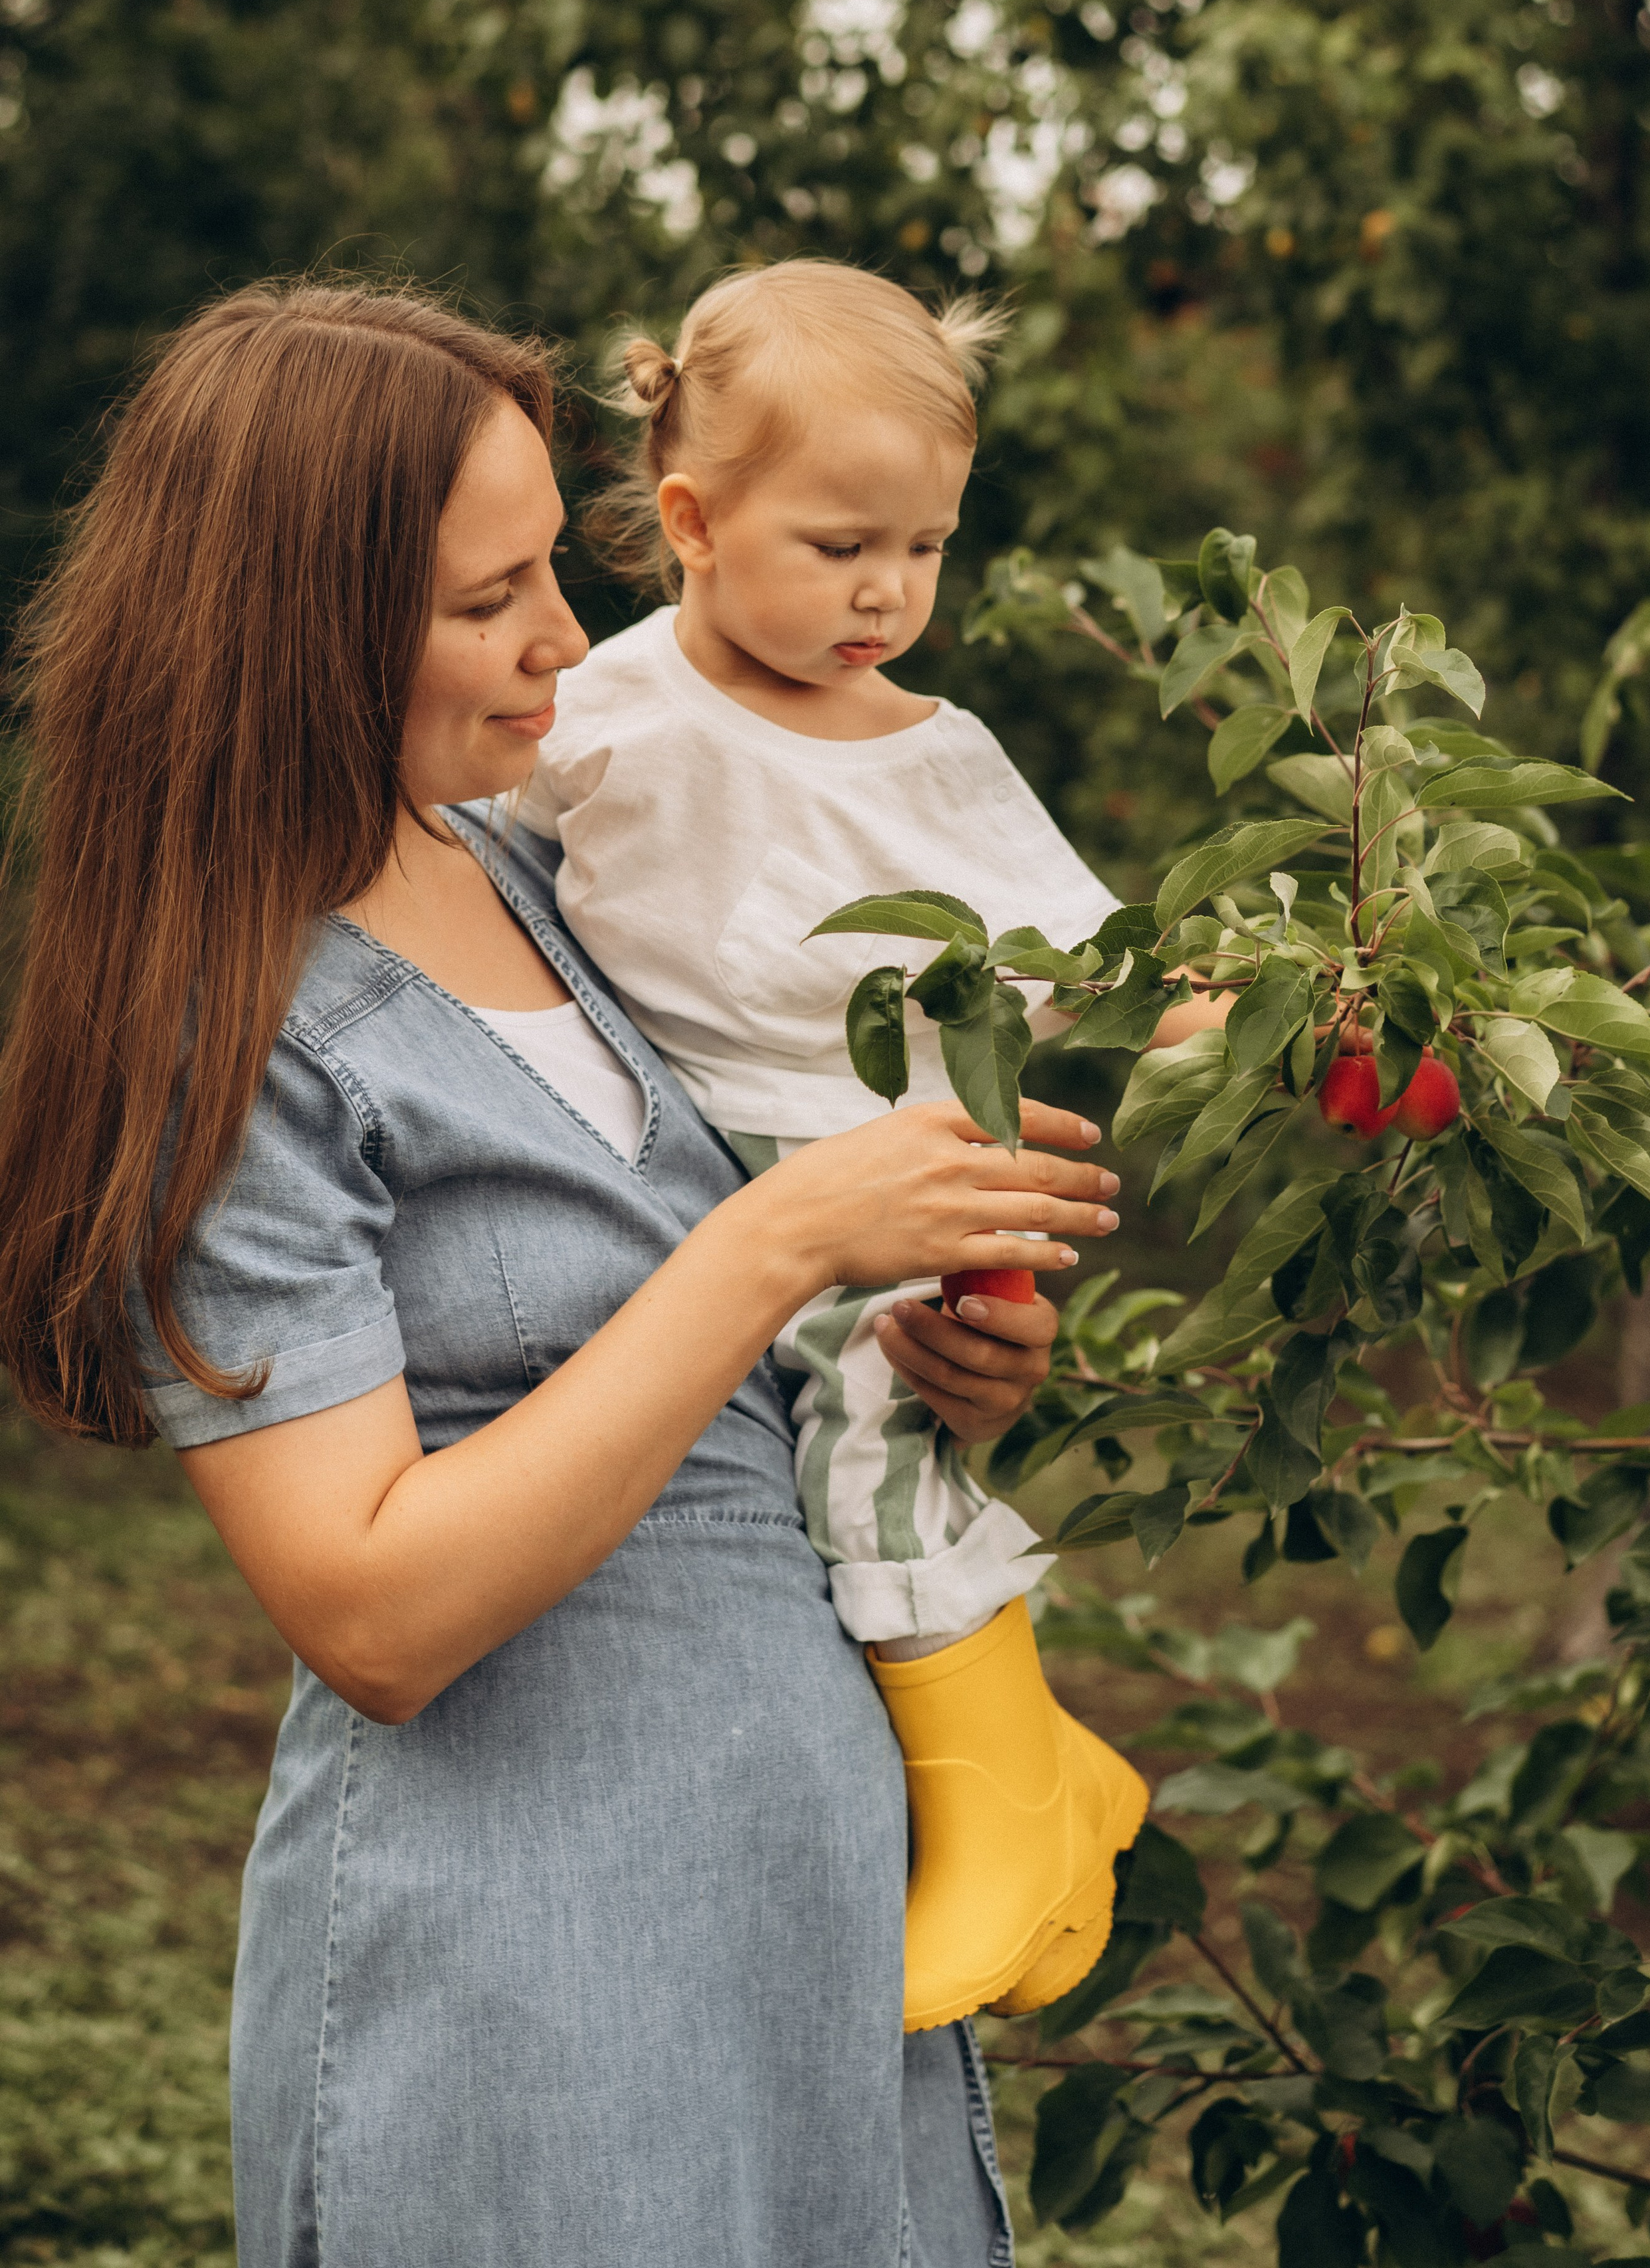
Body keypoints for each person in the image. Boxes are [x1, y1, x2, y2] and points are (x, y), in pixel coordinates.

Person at [0, 280, 1124, 2268]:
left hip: (795, 1921)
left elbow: (721, 1351)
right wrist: (780, 1238)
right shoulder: (236, 1034)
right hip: (535, 1974)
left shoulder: (536, 871)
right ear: (295, 624)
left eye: (551, 570)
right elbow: (370, 1609)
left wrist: (935, 1323)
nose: (566, 642)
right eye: (485, 598)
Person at [518, 259, 1219, 2030]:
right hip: (702, 1169)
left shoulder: (937, 755)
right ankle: (1042, 1772)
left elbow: (1081, 962)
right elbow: (465, 863)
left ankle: (1001, 1806)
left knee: (875, 1449)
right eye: (842, 547)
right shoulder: (606, 718)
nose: (889, 592)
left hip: (889, 1163)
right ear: (691, 516)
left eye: (925, 547)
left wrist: (1232, 1010)